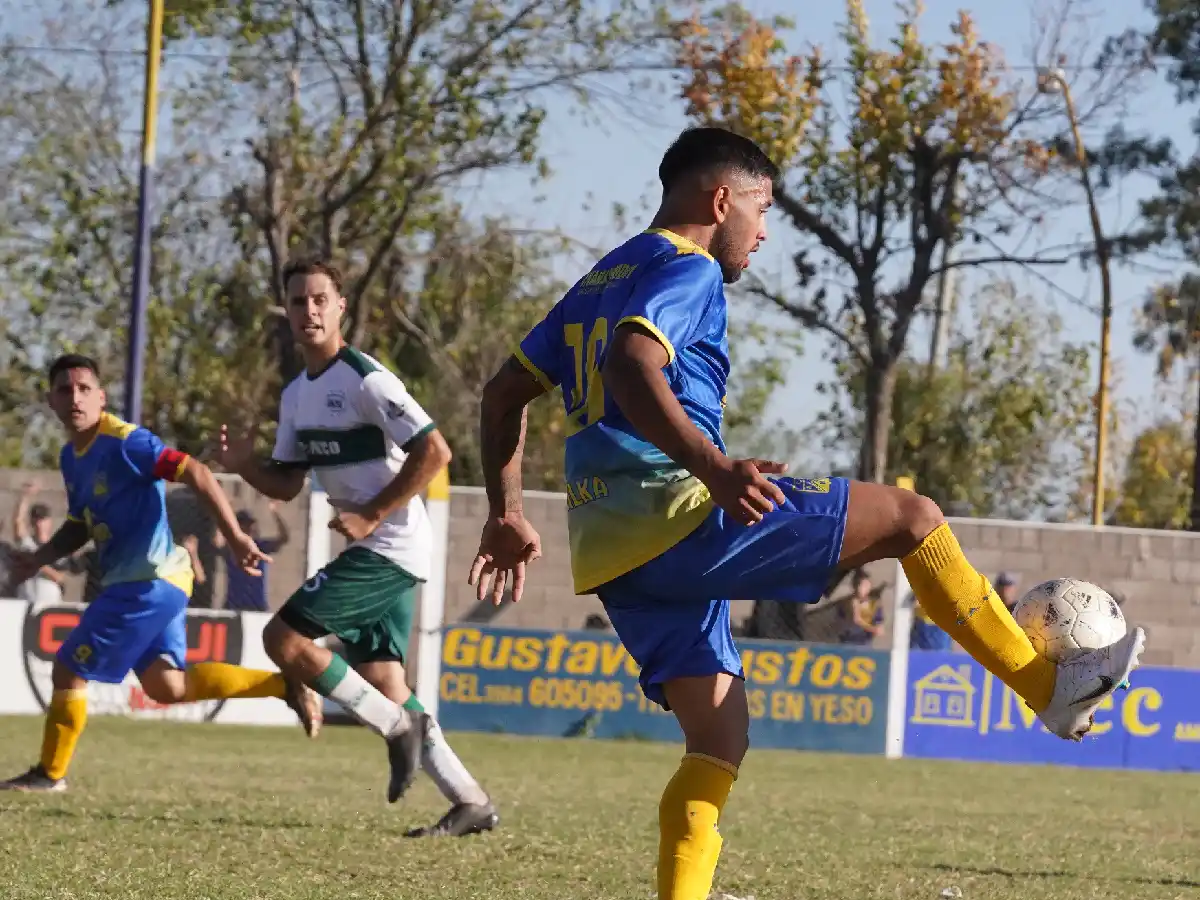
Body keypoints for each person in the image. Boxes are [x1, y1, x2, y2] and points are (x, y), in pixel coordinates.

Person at [468, 126, 1147, 900]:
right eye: (760, 209)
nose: (763, 233)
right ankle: (1044, 687)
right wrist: (714, 468)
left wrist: (506, 511)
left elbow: (502, 394)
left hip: (612, 551)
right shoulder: (686, 268)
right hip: (680, 514)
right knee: (913, 519)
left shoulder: (599, 276)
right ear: (719, 199)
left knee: (719, 737)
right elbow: (631, 362)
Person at [217, 257, 498, 837]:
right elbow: (288, 483)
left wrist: (372, 513)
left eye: (321, 299)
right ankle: (470, 800)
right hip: (379, 548)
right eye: (298, 302)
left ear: (341, 307)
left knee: (283, 638)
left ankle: (397, 729)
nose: (310, 311)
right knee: (387, 680)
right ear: (288, 312)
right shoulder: (296, 395)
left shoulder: (367, 378)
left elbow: (436, 452)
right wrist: (246, 466)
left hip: (391, 546)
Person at [0, 354, 321, 793]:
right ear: (52, 401)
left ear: (100, 396)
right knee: (167, 686)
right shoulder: (72, 458)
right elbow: (81, 524)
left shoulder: (126, 441)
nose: (74, 397)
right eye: (64, 390)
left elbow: (198, 473)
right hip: (160, 581)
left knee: (67, 668)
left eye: (83, 389)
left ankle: (50, 774)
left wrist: (237, 536)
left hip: (147, 582)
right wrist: (39, 558)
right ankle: (284, 685)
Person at [212, 504, 290, 611]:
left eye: (251, 524)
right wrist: (223, 515)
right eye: (245, 525)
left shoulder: (259, 546)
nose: (250, 528)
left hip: (256, 606)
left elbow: (284, 538)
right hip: (233, 605)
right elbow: (218, 542)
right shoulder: (231, 547)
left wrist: (276, 514)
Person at [11, 483, 68, 606]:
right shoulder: (28, 544)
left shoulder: (58, 546)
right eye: (36, 519)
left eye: (42, 519)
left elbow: (60, 578)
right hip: (26, 597)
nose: (39, 523)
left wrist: (37, 562)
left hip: (49, 600)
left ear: (49, 521)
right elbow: (18, 522)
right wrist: (25, 497)